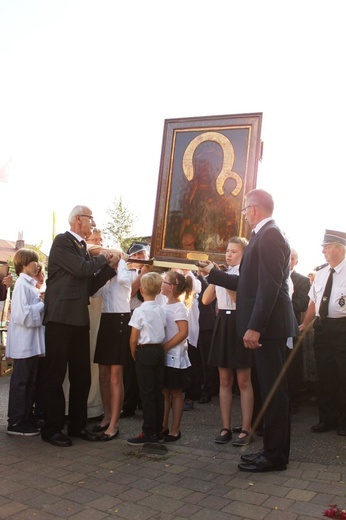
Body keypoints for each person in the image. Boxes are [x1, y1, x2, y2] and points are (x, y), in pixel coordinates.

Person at [199, 189, 298, 472]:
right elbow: (247, 282)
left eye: (245, 210)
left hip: (269, 328)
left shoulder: (270, 236)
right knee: (269, 390)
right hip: (268, 326)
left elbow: (269, 286)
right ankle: (271, 450)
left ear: (254, 209)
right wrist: (212, 273)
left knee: (274, 392)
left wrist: (255, 326)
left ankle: (275, 455)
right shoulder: (263, 235)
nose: (244, 214)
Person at [41, 205, 119, 447]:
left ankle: (77, 425)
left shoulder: (84, 250)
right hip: (60, 318)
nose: (93, 223)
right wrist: (104, 256)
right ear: (78, 220)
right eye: (90, 218)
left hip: (78, 319)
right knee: (55, 375)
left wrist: (109, 269)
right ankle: (51, 428)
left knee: (81, 376)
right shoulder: (62, 242)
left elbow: (89, 286)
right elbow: (82, 269)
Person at [202, 237, 254, 446]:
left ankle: (246, 428)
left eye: (234, 251)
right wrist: (215, 277)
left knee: (243, 381)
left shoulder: (246, 273)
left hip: (239, 322)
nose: (229, 254)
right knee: (224, 379)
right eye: (227, 251)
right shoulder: (222, 273)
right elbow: (206, 300)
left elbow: (238, 299)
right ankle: (225, 427)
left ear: (243, 254)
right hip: (222, 322)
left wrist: (222, 277)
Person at [299, 229, 346, 436]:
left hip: (343, 328)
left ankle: (344, 421)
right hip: (323, 327)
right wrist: (304, 325)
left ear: (339, 248)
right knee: (325, 375)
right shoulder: (321, 273)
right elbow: (313, 302)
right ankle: (327, 419)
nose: (324, 251)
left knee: (343, 375)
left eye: (327, 247)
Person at [91, 251, 132, 441]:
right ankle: (107, 416)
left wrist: (122, 261)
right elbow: (94, 290)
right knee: (103, 375)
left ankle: (115, 423)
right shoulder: (108, 275)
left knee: (116, 376)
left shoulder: (128, 273)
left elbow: (124, 280)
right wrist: (105, 268)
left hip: (122, 321)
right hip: (106, 322)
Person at [6, 249, 45, 436]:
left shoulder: (29, 285)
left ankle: (26, 417)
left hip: (31, 343)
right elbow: (22, 315)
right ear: (24, 263)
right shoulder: (22, 285)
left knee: (30, 382)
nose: (37, 265)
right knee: (21, 382)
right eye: (34, 262)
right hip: (24, 343)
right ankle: (15, 421)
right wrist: (42, 304)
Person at [127, 272, 167, 445]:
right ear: (159, 290)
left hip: (145, 351)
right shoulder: (161, 310)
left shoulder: (139, 311)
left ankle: (148, 431)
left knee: (147, 393)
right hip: (159, 350)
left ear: (141, 290)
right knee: (158, 391)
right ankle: (158, 429)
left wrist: (134, 353)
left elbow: (133, 338)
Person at [161, 270, 192, 442]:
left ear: (171, 287)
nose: (161, 284)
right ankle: (163, 426)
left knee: (176, 393)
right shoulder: (164, 305)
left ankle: (175, 429)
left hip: (174, 356)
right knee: (164, 391)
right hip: (165, 356)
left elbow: (183, 332)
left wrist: (165, 347)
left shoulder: (179, 307)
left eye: (164, 282)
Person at [121, 242, 151, 418]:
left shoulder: (155, 273)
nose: (141, 259)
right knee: (131, 362)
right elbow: (130, 293)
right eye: (137, 256)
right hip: (132, 315)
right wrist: (141, 275)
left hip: (149, 316)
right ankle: (128, 403)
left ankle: (143, 400)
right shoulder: (128, 273)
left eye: (143, 255)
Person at [285, 249, 310, 414]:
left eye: (292, 258)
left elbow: (301, 304)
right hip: (277, 327)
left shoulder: (302, 280)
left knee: (292, 366)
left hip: (292, 326)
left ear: (297, 261)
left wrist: (281, 302)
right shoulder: (275, 275)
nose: (289, 261)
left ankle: (293, 401)